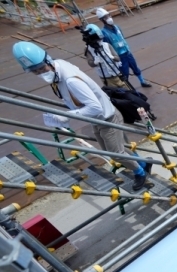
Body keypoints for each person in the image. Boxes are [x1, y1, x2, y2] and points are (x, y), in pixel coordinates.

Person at [12, 41, 150, 190]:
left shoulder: (71, 81)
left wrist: (67, 115)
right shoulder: (59, 67)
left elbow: (95, 108)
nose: (41, 73)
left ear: (48, 61)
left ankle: (140, 172)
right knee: (113, 150)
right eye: (36, 71)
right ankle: (143, 163)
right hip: (97, 120)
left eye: (42, 68)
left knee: (116, 153)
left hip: (108, 118)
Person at [95, 7, 152, 88]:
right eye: (105, 17)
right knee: (125, 74)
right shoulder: (104, 33)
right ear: (102, 20)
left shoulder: (117, 27)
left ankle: (142, 81)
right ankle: (129, 89)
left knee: (135, 68)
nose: (109, 18)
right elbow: (107, 47)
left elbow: (122, 38)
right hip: (120, 57)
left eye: (108, 15)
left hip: (127, 53)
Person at [83, 24, 128, 89]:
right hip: (106, 78)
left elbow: (118, 58)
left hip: (116, 74)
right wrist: (95, 62)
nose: (100, 41)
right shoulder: (88, 49)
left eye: (100, 39)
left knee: (127, 89)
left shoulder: (107, 45)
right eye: (98, 40)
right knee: (116, 93)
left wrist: (112, 57)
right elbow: (90, 63)